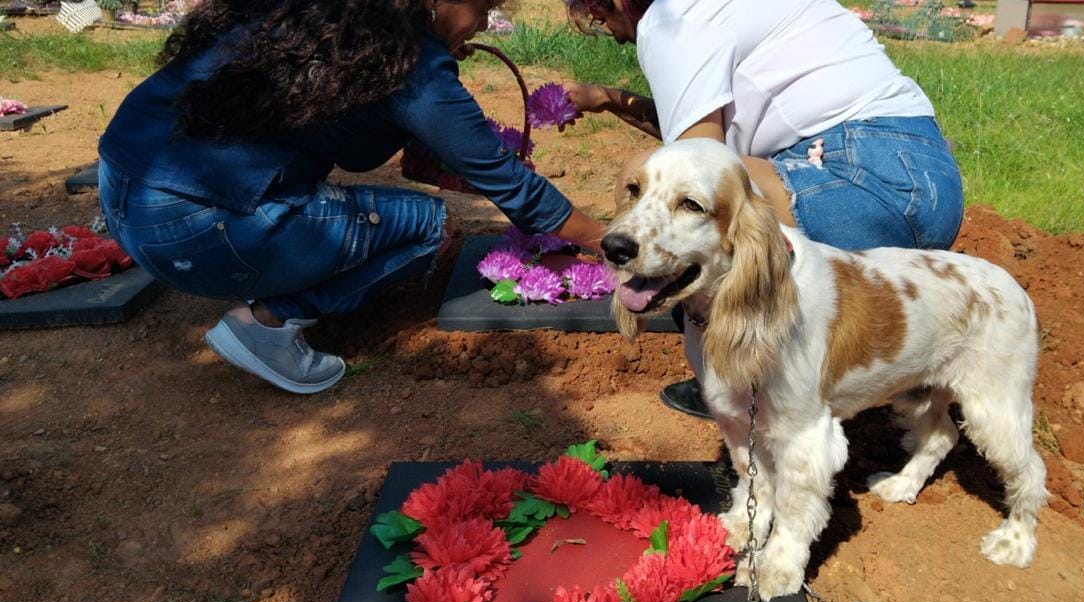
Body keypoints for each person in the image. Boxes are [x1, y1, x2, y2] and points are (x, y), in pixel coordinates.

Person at [98, 0, 606, 395]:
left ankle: (257, 257)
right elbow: (512, 186)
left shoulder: (335, 23)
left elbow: (360, 148)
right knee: (431, 226)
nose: (480, 25)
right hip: (193, 229)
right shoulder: (415, 66)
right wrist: (613, 242)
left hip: (124, 198)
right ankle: (266, 325)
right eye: (483, 9)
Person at [563, 0, 964, 418]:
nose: (607, 29)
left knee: (653, 181)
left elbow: (702, 161)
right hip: (924, 183)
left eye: (597, 14)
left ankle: (738, 372)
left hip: (863, 188)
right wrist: (611, 99)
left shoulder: (669, 20)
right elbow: (701, 138)